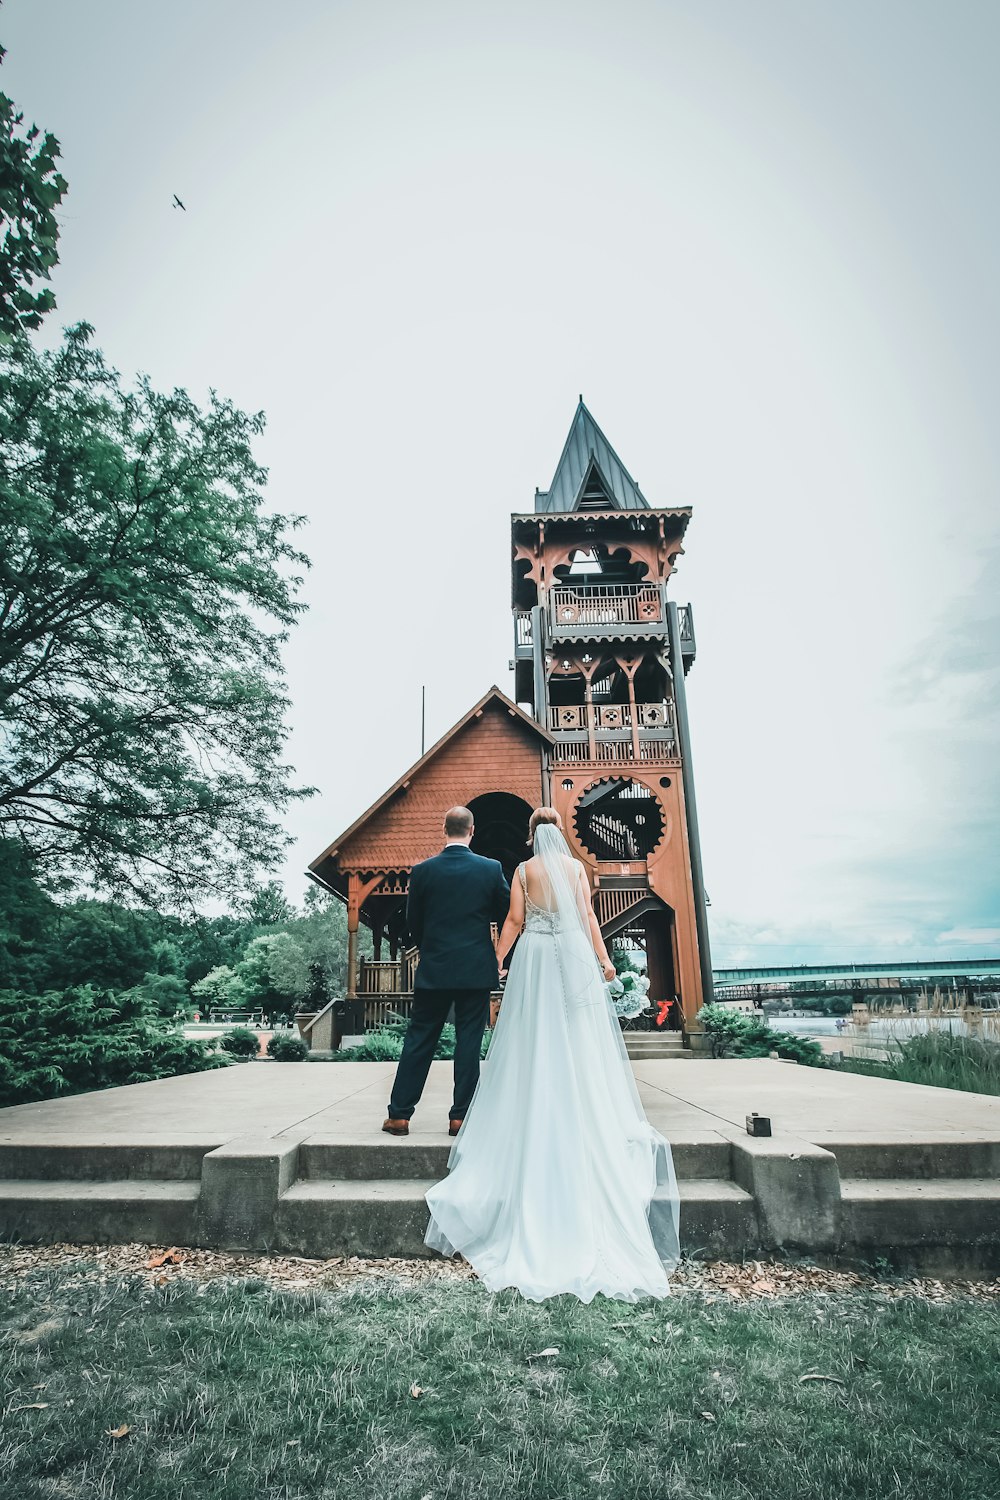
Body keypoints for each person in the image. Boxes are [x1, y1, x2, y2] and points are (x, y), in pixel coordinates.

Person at [424, 806, 682, 1303]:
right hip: (575, 955)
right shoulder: (575, 870)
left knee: (530, 1036)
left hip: (538, 960)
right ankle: (579, 1101)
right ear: (559, 833)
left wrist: (497, 960)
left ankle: (537, 1099)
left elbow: (515, 921)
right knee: (579, 1034)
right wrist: (605, 962)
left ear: (529, 835)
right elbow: (587, 917)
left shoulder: (524, 871)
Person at [383, 806, 510, 1137]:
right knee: (468, 1041)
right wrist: (496, 954)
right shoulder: (490, 868)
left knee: (419, 1039)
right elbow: (507, 913)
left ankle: (399, 1115)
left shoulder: (423, 871)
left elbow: (413, 922)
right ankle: (460, 1116)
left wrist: (431, 949)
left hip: (435, 968)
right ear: (472, 831)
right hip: (475, 969)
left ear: (444, 829)